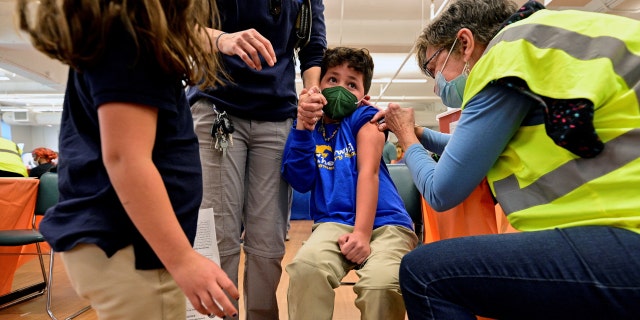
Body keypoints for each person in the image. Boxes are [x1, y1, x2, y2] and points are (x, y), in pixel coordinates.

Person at [372, 0, 640, 318]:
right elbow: (474, 150)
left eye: (435, 68)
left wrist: (406, 139)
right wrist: (419, 134)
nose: (436, 84)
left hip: (624, 241)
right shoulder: (550, 41)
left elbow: (440, 191)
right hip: (623, 231)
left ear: (465, 43)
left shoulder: (503, 59)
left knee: (425, 274)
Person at [18, 1, 239, 319]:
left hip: (121, 243)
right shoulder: (132, 41)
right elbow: (125, 158)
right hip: (131, 248)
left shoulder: (117, 39)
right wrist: (181, 259)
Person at [187, 1, 327, 318]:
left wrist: (311, 92)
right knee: (220, 238)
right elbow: (180, 27)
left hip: (277, 114)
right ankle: (220, 315)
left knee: (269, 242)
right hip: (217, 108)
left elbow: (313, 47)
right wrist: (222, 38)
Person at [282, 47, 419, 320]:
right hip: (333, 222)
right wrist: (303, 128)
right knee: (306, 268)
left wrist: (362, 235)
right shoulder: (307, 128)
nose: (340, 88)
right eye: (332, 80)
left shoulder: (364, 118)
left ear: (363, 97)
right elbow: (300, 180)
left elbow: (369, 173)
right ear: (317, 86)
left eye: (351, 84)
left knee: (382, 284)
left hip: (386, 223)